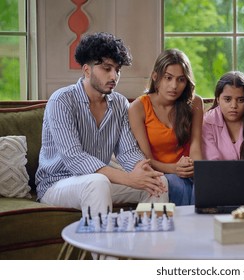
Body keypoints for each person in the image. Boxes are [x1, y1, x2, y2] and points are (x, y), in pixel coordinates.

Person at [36, 32, 168, 218]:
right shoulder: (62, 100)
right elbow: (75, 158)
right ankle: (101, 248)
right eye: (107, 68)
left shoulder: (120, 104)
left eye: (117, 69)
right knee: (97, 182)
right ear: (87, 70)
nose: (114, 76)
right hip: (57, 184)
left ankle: (148, 244)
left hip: (99, 181)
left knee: (158, 182)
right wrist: (129, 179)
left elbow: (128, 151)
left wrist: (142, 170)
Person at [129, 49, 203, 206]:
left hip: (188, 170)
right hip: (161, 172)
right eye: (168, 78)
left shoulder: (195, 103)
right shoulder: (138, 107)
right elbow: (146, 158)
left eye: (181, 80)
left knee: (204, 186)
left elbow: (196, 144)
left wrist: (197, 169)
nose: (174, 86)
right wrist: (175, 169)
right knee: (178, 185)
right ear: (156, 77)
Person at [202, 71, 244, 160]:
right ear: (218, 99)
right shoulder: (208, 121)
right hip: (218, 173)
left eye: (240, 100)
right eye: (227, 99)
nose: (234, 106)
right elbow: (213, 162)